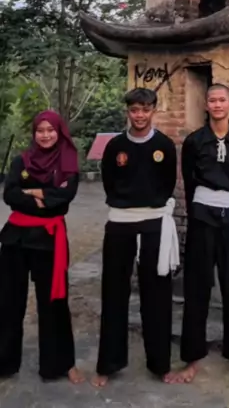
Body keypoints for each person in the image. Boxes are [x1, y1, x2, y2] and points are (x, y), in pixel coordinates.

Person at [92, 88, 178, 388]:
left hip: (153, 223)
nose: (139, 115)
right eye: (134, 110)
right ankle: (109, 363)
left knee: (157, 296)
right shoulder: (115, 146)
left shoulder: (164, 145)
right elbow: (109, 182)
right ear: (127, 111)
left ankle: (160, 364)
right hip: (120, 223)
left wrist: (149, 206)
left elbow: (168, 183)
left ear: (154, 110)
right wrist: (127, 205)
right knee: (114, 292)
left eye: (145, 109)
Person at [173, 84, 229, 385]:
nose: (217, 104)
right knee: (196, 286)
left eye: (222, 100)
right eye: (212, 100)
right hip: (202, 217)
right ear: (206, 104)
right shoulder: (195, 141)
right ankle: (192, 358)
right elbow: (189, 180)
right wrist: (200, 211)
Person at [0, 110, 83, 383]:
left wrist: (32, 192)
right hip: (15, 238)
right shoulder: (20, 161)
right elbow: (9, 194)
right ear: (34, 133)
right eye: (40, 130)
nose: (45, 135)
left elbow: (64, 197)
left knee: (54, 302)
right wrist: (45, 198)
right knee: (8, 300)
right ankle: (4, 361)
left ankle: (59, 364)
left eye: (50, 130)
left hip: (49, 241)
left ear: (59, 132)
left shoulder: (67, 163)